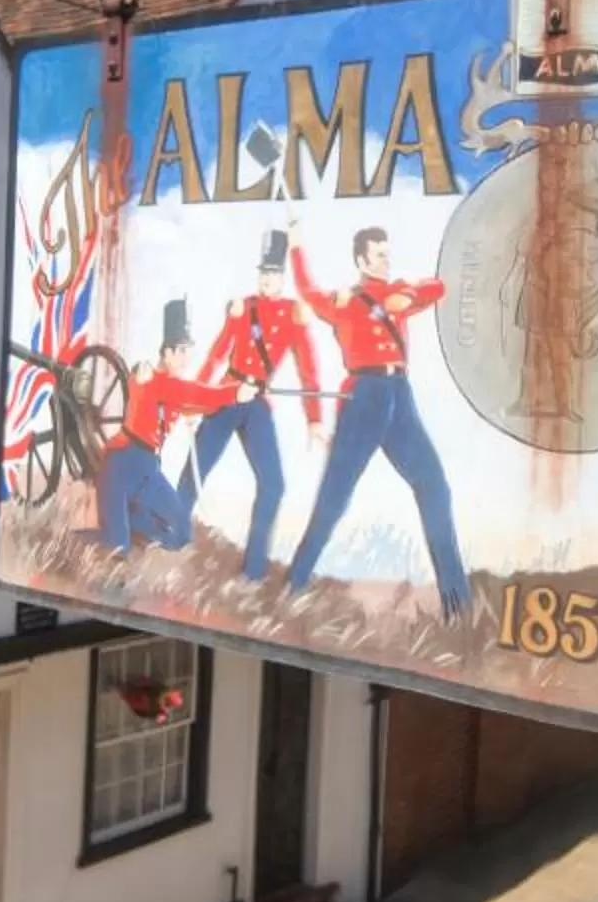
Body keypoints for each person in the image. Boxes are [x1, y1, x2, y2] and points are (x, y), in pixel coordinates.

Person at [282, 219, 475, 620]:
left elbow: (437, 288)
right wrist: (295, 245)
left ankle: (458, 605)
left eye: (388, 254)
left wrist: (405, 294)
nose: (387, 261)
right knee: (334, 497)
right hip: (363, 396)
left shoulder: (397, 290)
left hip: (399, 395)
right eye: (379, 255)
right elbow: (307, 290)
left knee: (434, 487)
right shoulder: (344, 302)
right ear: (361, 260)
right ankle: (292, 586)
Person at [180, 230, 328, 582]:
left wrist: (314, 420)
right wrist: (195, 400)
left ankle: (253, 571)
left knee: (274, 484)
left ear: (283, 277)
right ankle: (167, 539)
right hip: (226, 396)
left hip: (257, 403)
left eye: (273, 273)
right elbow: (217, 354)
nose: (266, 279)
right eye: (263, 272)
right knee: (195, 471)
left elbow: (308, 371)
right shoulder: (242, 308)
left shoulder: (293, 315)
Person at [97, 298, 252, 554]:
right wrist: (235, 392)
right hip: (121, 465)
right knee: (116, 549)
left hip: (147, 468)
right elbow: (199, 394)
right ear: (166, 352)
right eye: (181, 351)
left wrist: (241, 392)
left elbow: (196, 402)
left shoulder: (171, 386)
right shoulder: (150, 377)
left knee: (181, 533)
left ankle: (130, 527)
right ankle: (117, 532)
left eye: (188, 351)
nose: (186, 358)